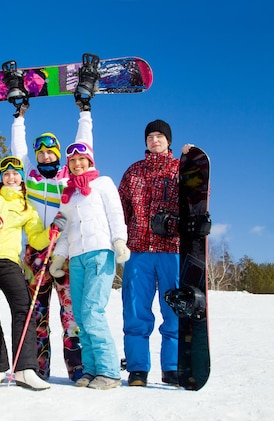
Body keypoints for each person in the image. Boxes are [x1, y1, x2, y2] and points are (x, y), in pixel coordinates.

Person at [0, 155, 59, 391]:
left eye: (15, 173)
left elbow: (36, 240)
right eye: (6, 174)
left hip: (7, 260)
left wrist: (52, 231)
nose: (10, 177)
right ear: (1, 177)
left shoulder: (27, 207)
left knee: (23, 307)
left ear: (21, 177)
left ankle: (25, 369)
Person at [10, 104, 92, 381]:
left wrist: (85, 113)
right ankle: (38, 367)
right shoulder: (30, 179)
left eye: (50, 151)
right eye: (41, 152)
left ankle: (77, 368)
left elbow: (83, 149)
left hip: (65, 252)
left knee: (70, 312)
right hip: (35, 251)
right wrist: (19, 119)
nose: (45, 156)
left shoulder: (68, 178)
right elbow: (18, 152)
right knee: (36, 311)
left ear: (57, 154)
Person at [49, 137, 130, 390]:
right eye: (72, 161)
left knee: (93, 312)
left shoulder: (103, 184)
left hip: (99, 253)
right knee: (81, 319)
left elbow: (116, 214)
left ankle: (109, 371)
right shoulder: (68, 193)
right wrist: (59, 257)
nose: (77, 164)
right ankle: (92, 370)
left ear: (90, 161)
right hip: (76, 258)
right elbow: (65, 230)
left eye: (81, 160)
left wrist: (119, 241)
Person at [118, 120, 185, 387]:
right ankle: (137, 369)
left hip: (172, 249)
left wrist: (192, 158)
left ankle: (171, 367)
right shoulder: (134, 171)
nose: (155, 140)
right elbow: (120, 208)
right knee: (135, 309)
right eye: (150, 136)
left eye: (160, 136)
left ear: (169, 140)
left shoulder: (180, 168)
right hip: (139, 249)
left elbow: (200, 194)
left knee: (175, 309)